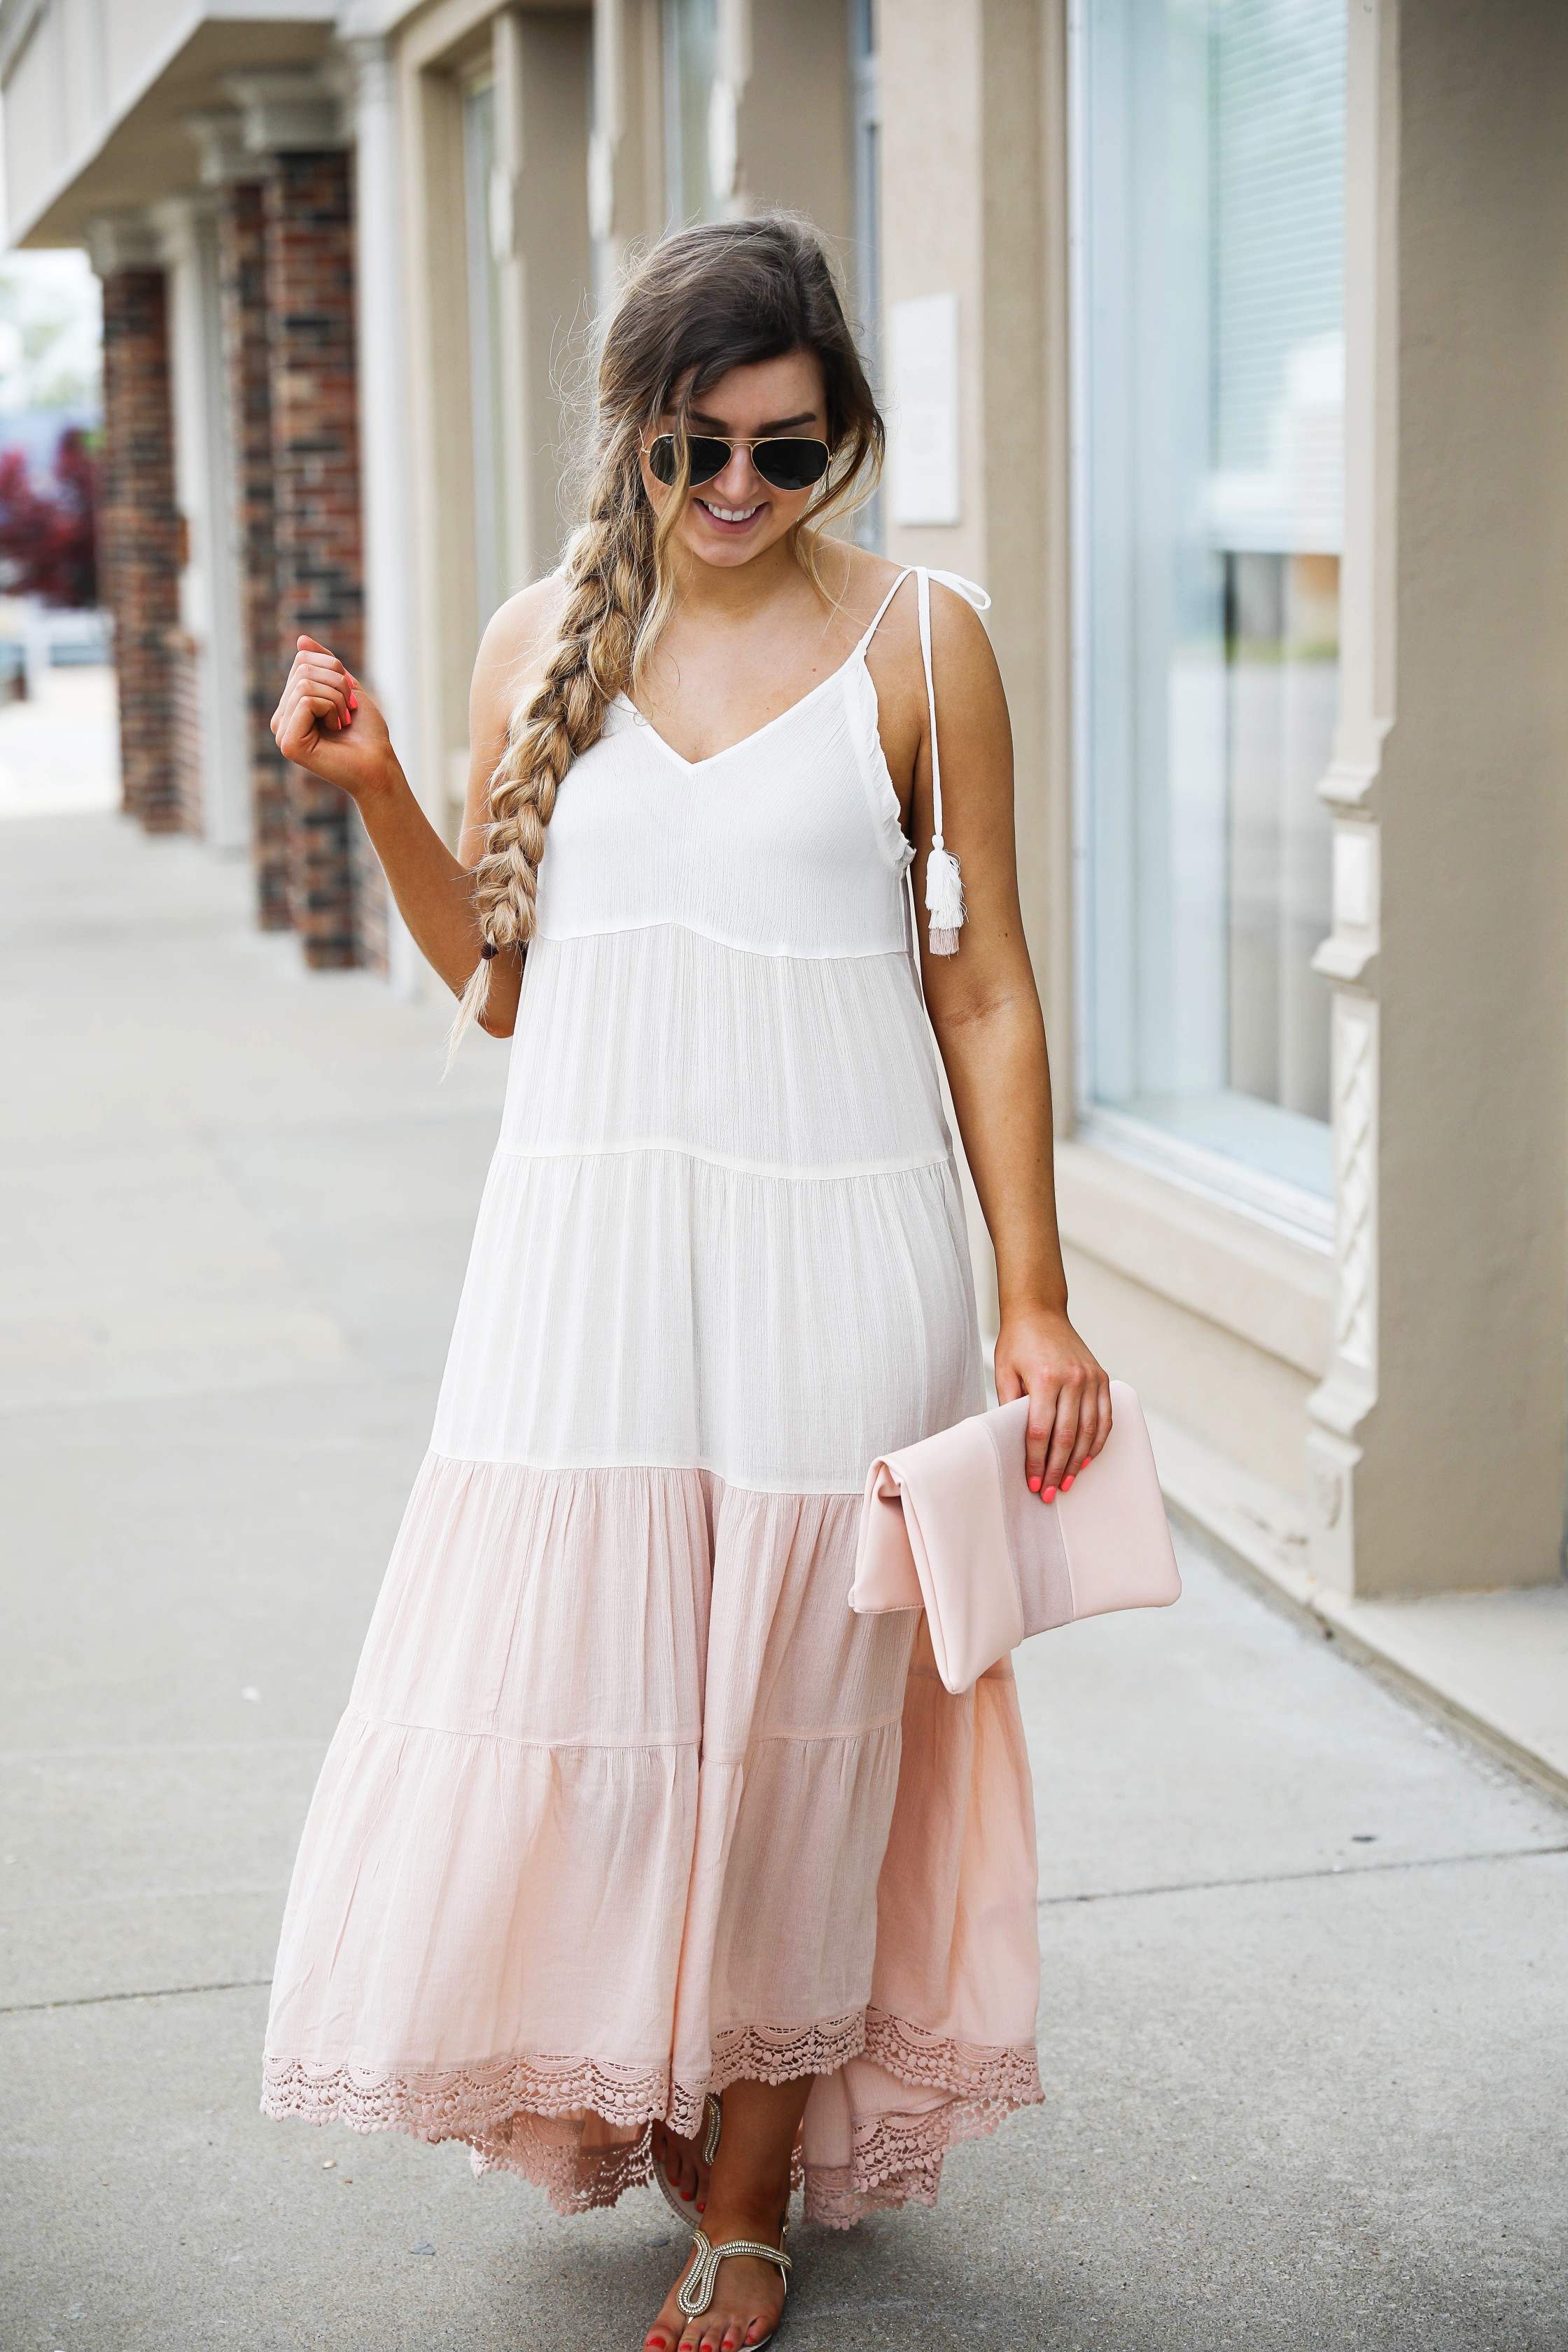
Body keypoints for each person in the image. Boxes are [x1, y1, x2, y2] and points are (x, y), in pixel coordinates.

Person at [261, 214, 1109, 2352]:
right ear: (633, 434)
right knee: (609, 1723)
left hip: (847, 1253)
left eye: (788, 452)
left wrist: (1036, 1293)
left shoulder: (927, 645)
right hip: (593, 1260)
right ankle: (651, 2086)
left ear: (847, 443)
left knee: (808, 1739)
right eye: (696, 451)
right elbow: (502, 984)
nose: (739, 495)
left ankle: (743, 2199)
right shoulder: (533, 637)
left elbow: (986, 983)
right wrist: (375, 797)